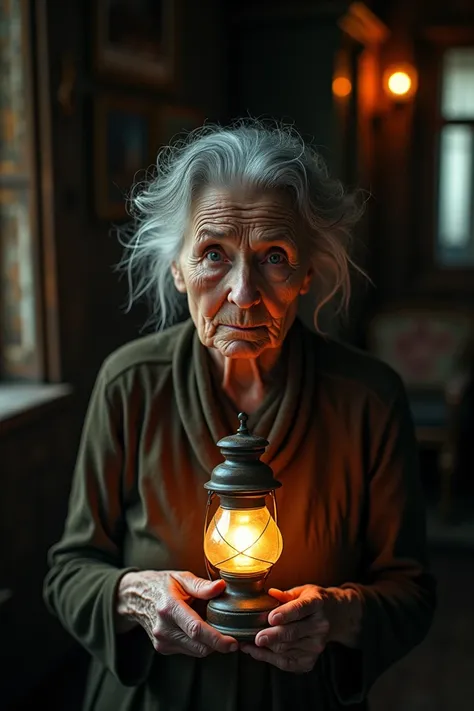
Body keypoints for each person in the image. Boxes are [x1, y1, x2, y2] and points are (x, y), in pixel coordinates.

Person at [43, 120, 436, 711]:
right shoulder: (130, 385)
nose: (243, 292)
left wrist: (338, 615)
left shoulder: (368, 399)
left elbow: (410, 592)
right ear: (177, 269)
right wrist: (133, 594)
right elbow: (69, 571)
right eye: (212, 255)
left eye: (274, 256)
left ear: (307, 273)